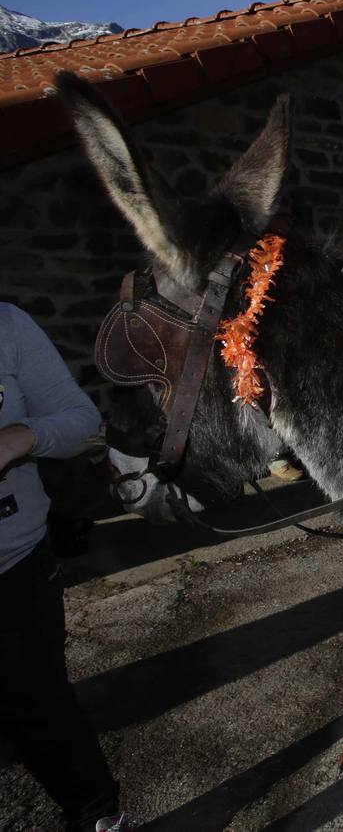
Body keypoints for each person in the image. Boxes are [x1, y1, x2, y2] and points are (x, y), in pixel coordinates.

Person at [0, 303, 126, 832]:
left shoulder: (7, 324)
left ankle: (99, 814)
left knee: (42, 708)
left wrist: (20, 438)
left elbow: (81, 424)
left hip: (14, 567)